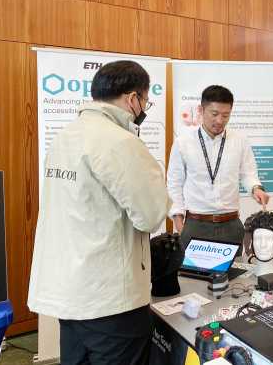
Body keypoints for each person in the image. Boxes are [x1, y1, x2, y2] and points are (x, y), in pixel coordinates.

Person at [28, 60, 171, 364]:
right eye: (146, 100)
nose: (144, 107)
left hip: (72, 294)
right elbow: (151, 214)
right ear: (133, 99)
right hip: (111, 301)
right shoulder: (120, 142)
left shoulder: (65, 136)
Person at [167, 85, 270, 252]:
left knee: (233, 278)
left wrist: (256, 188)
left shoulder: (239, 140)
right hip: (195, 225)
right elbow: (174, 183)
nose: (220, 120)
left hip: (231, 225)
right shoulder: (183, 142)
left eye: (225, 115)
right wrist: (179, 222)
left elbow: (248, 174)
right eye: (214, 114)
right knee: (193, 278)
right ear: (201, 110)